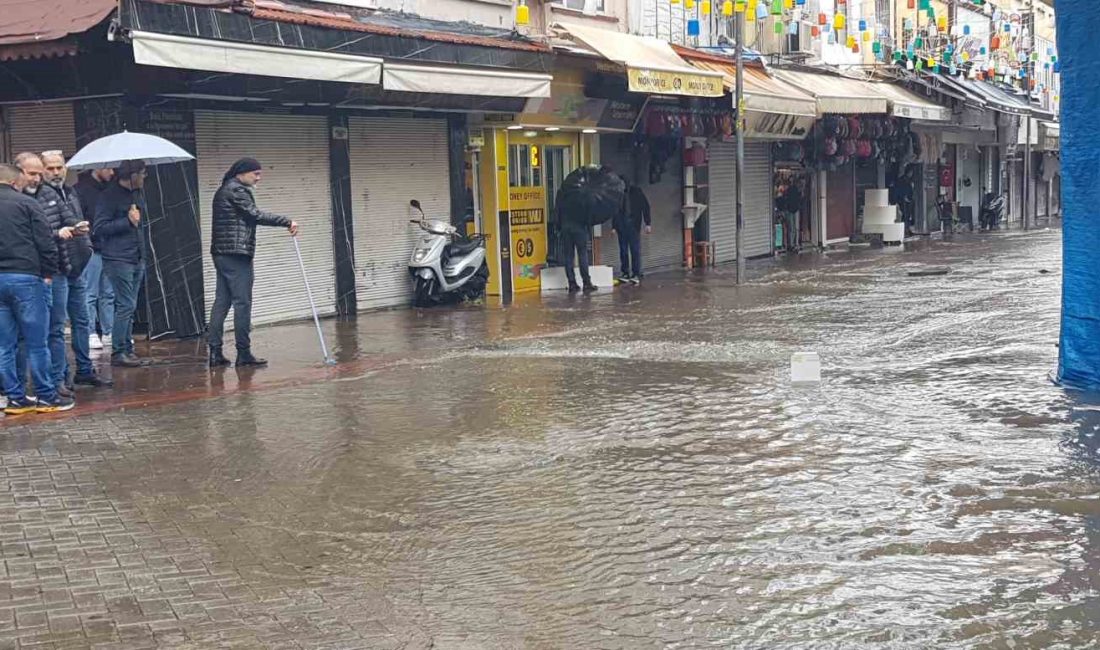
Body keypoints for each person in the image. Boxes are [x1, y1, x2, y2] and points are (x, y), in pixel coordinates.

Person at [207, 158, 299, 368]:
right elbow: (255, 215)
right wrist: (286, 221)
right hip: (236, 254)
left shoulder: (224, 189)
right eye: (255, 173)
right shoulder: (237, 190)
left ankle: (215, 352)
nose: (259, 177)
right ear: (241, 173)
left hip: (222, 253)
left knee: (222, 301)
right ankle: (244, 353)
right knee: (243, 303)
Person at [0, 163, 73, 414]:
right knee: (37, 342)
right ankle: (46, 396)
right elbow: (45, 241)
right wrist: (48, 273)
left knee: (4, 345)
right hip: (26, 278)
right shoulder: (27, 204)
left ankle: (15, 399)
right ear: (13, 181)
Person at [16, 152, 83, 398]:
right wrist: (57, 233)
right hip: (27, 273)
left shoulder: (49, 194)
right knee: (24, 332)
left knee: (56, 327)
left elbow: (68, 219)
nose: (37, 178)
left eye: (38, 174)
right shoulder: (14, 198)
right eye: (31, 173)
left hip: (56, 270)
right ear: (18, 173)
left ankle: (57, 380)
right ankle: (20, 385)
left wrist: (76, 227)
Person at [41, 152, 110, 388]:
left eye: (59, 167)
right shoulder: (39, 196)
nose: (56, 172)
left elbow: (75, 220)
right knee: (57, 325)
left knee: (82, 321)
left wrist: (85, 243)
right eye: (50, 168)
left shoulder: (70, 192)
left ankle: (84, 369)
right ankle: (60, 376)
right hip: (57, 268)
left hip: (77, 265)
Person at [93, 160, 146, 368]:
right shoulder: (109, 196)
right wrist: (127, 222)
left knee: (130, 305)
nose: (144, 178)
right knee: (125, 305)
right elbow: (99, 227)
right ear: (132, 175)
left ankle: (128, 349)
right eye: (142, 173)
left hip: (137, 256)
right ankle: (118, 351)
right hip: (118, 258)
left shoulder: (136, 194)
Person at [75, 167, 115, 351]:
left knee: (108, 293)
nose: (112, 173)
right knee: (90, 292)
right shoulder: (81, 190)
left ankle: (109, 331)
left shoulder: (109, 189)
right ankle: (91, 332)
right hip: (92, 248)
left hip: (108, 246)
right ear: (98, 168)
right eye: (109, 168)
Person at [612, 175, 651, 284]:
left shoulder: (636, 192)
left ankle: (636, 273)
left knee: (635, 250)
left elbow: (645, 206)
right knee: (623, 250)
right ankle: (625, 273)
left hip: (633, 225)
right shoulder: (617, 194)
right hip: (621, 225)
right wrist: (614, 226)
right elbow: (615, 211)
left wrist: (648, 223)